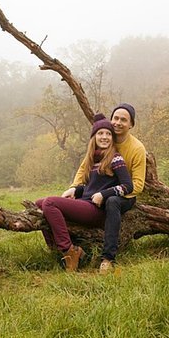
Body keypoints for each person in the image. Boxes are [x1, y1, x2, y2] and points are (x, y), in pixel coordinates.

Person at [36, 113, 133, 272]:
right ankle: (55, 249)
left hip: (96, 210)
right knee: (39, 203)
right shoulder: (92, 160)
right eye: (100, 133)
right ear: (93, 137)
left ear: (112, 138)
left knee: (50, 202)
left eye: (108, 134)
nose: (104, 137)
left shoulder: (115, 159)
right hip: (85, 202)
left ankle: (69, 251)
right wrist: (76, 189)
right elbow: (91, 186)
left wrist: (105, 194)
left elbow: (127, 185)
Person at [66, 103, 146, 273]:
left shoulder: (137, 148)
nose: (118, 122)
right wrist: (74, 188)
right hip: (100, 190)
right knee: (78, 200)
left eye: (123, 120)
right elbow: (84, 168)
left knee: (112, 202)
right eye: (115, 118)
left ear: (131, 124)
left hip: (125, 194)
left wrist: (107, 193)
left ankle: (108, 258)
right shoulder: (105, 138)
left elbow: (137, 185)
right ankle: (72, 250)